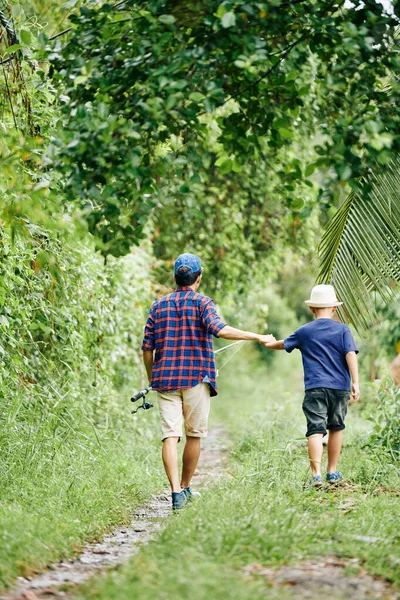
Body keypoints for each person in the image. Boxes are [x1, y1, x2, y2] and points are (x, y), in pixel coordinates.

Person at [141, 253, 274, 510]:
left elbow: (147, 348)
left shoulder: (158, 306)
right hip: (196, 379)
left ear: (176, 278)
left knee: (170, 436)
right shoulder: (203, 303)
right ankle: (186, 487)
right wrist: (256, 336)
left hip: (165, 379)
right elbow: (220, 329)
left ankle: (175, 491)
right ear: (198, 278)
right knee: (194, 435)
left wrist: (152, 376)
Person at [263, 284, 359, 486]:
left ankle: (316, 476)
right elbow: (350, 354)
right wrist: (356, 383)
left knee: (315, 430)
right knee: (336, 428)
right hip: (340, 388)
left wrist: (267, 342)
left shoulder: (304, 331)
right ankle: (332, 472)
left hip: (315, 388)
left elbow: (281, 344)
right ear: (334, 308)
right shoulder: (343, 330)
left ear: (311, 309)